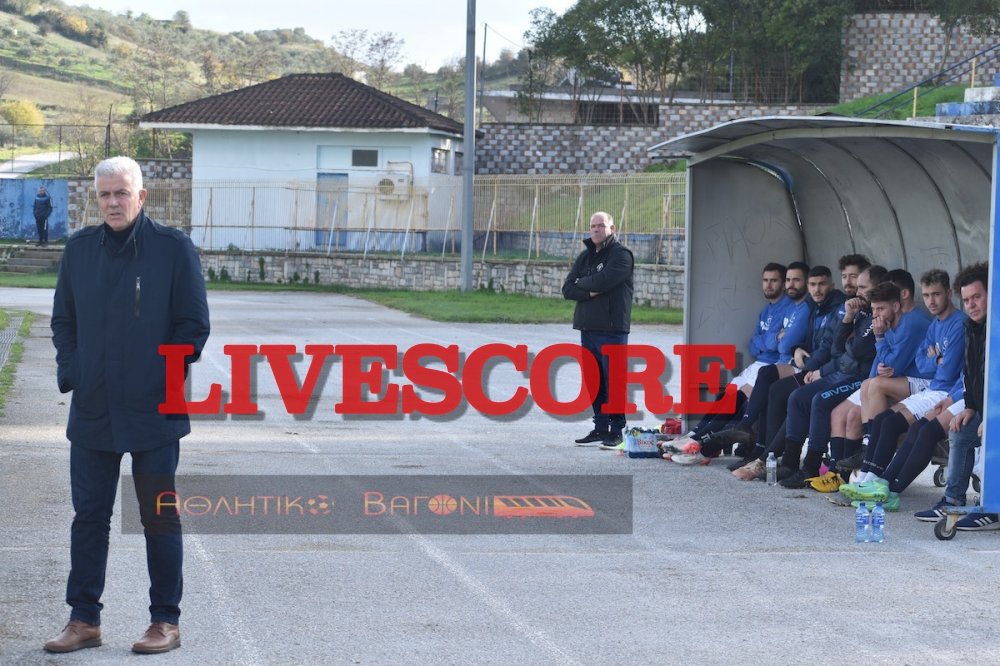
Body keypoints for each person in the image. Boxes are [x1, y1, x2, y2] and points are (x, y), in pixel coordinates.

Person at [46, 156, 211, 654]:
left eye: (122, 193)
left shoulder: (172, 249)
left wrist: (159, 379)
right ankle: (84, 619)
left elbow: (193, 326)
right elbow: (63, 322)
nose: (113, 202)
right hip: (93, 410)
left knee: (158, 515)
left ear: (142, 196)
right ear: (96, 199)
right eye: (104, 195)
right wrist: (74, 371)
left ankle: (165, 622)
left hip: (153, 410)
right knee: (88, 516)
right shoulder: (79, 251)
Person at [663, 262, 790, 464]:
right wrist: (770, 340)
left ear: (783, 284)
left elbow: (772, 345)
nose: (768, 285)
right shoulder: (766, 311)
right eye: (766, 280)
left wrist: (767, 341)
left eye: (774, 280)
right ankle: (695, 435)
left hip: (772, 367)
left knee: (738, 399)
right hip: (758, 364)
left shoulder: (789, 308)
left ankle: (702, 445)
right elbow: (754, 344)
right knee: (727, 395)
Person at [914, 262, 996, 530]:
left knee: (991, 433)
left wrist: (993, 416)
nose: (971, 305)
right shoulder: (972, 327)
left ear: (991, 293)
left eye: (977, 297)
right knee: (960, 429)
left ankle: (993, 509)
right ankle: (954, 502)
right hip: (985, 407)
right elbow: (972, 374)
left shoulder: (995, 328)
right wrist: (971, 407)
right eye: (967, 299)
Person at [563, 211, 634, 449]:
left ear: (612, 228)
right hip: (587, 327)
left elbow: (605, 281)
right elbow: (567, 289)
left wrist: (582, 284)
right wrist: (588, 288)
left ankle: (616, 430)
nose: (596, 229)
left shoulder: (621, 255)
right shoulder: (585, 257)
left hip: (611, 329)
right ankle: (600, 428)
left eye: (601, 226)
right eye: (592, 226)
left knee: (613, 381)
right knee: (594, 381)